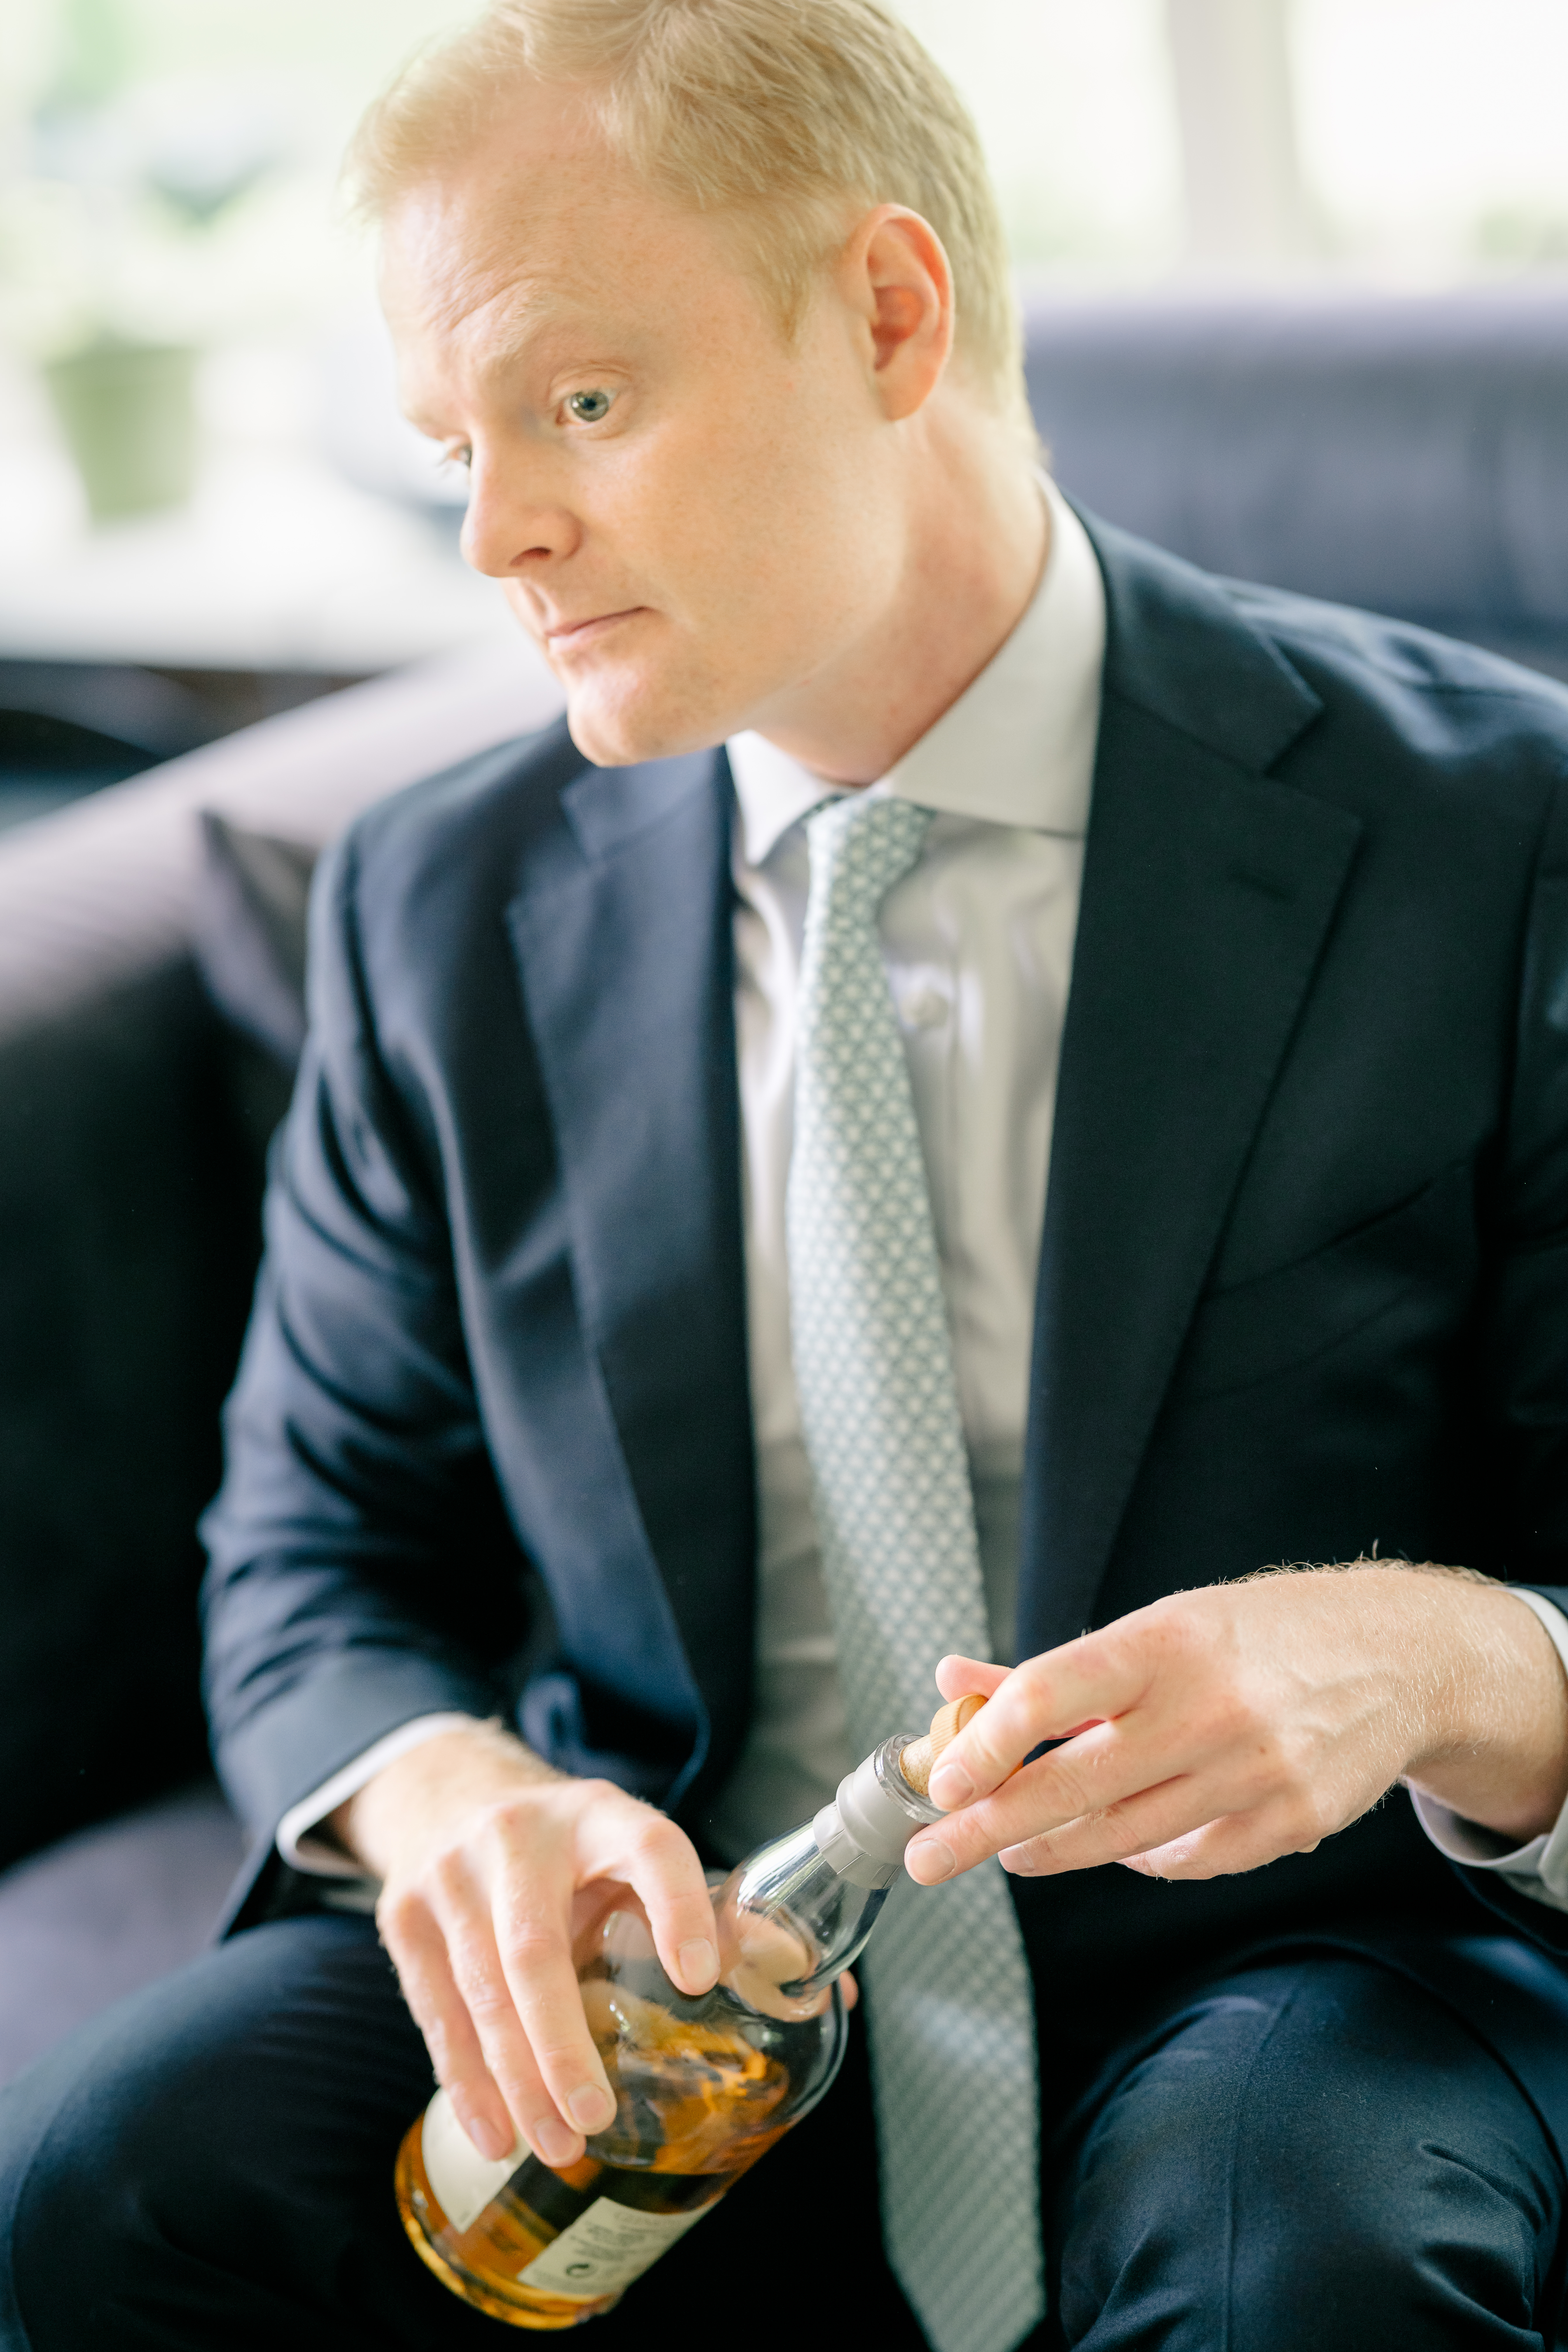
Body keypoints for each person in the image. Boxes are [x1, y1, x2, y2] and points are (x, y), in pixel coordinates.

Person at [7, 2, 1568, 2346]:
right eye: (455, 444)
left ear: (888, 313)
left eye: (581, 404)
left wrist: (1451, 1656)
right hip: (677, 1956)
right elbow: (312, 1543)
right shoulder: (432, 909)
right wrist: (450, 1806)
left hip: (1289, 1950)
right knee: (122, 2185)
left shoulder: (1497, 835)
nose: (495, 528)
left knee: (1304, 2278)